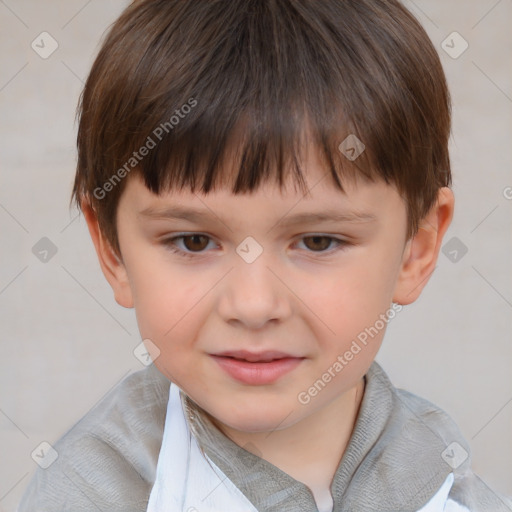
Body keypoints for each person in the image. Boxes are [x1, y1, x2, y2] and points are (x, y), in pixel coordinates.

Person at [17, 0, 512, 510]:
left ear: (417, 249)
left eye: (319, 241)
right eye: (193, 241)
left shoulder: (452, 488)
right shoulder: (87, 493)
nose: (253, 305)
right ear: (113, 251)